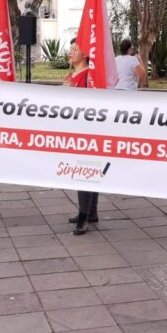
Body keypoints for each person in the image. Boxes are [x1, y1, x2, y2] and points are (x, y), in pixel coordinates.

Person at [65, 38, 98, 234]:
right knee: (87, 172)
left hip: (86, 131)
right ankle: (90, 212)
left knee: (84, 172)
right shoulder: (74, 75)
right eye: (70, 49)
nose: (70, 52)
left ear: (85, 54)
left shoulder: (88, 76)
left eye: (74, 49)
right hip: (75, 129)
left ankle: (84, 217)